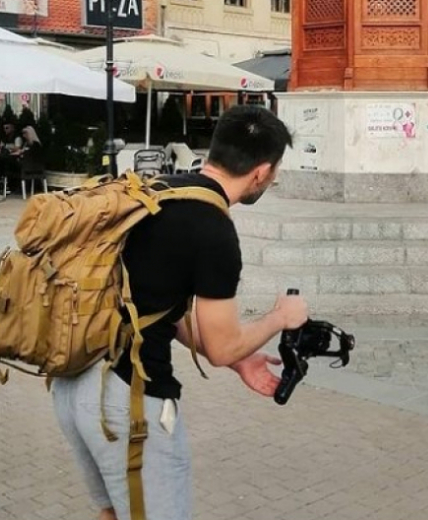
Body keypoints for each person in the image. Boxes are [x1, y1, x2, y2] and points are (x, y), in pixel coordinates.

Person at [50, 105, 309, 520]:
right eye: (274, 172)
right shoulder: (213, 229)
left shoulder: (156, 189)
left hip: (74, 381)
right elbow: (222, 347)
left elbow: (158, 308)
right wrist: (282, 317)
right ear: (261, 172)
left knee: (116, 513)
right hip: (128, 398)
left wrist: (241, 360)